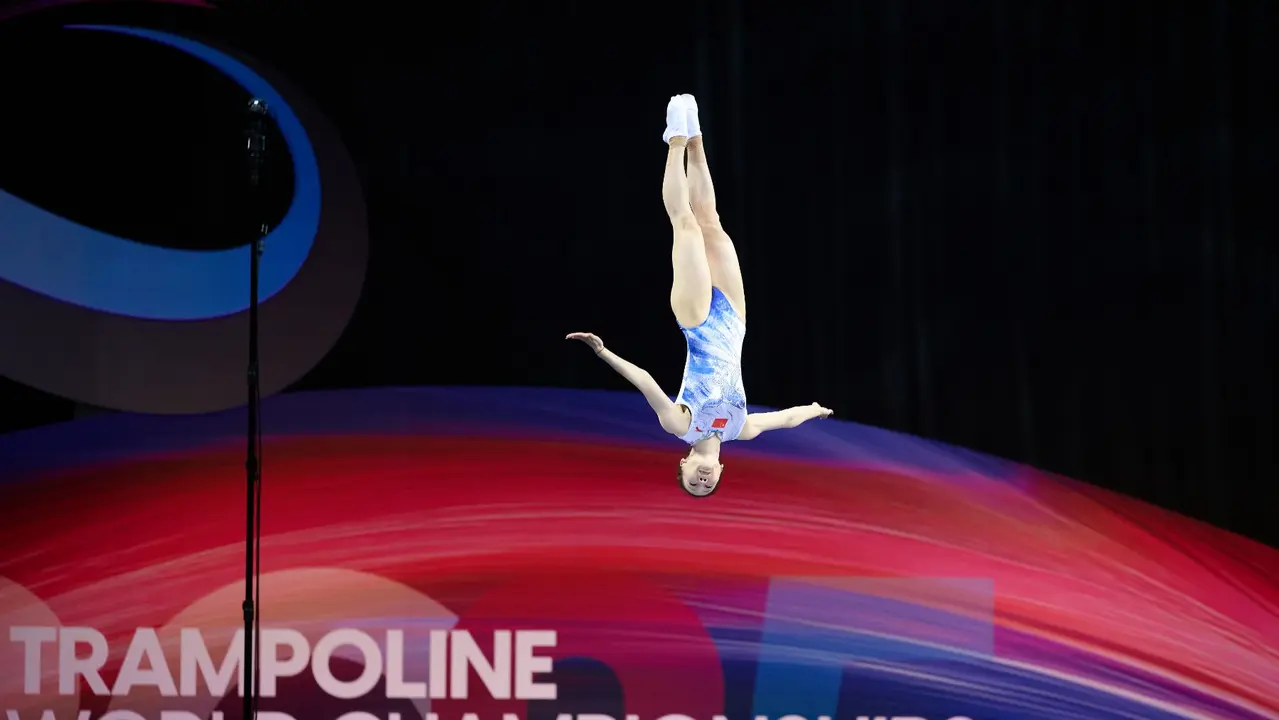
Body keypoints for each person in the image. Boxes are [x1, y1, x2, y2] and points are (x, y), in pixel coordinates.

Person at [567, 94, 832, 497]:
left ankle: (674, 140)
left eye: (693, 482)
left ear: (685, 463)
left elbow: (646, 382)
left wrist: (603, 352)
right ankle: (695, 139)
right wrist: (814, 412)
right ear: (721, 472)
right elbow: (786, 419)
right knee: (711, 221)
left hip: (696, 320)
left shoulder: (679, 425)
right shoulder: (742, 428)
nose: (702, 481)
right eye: (707, 486)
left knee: (686, 226)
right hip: (734, 319)